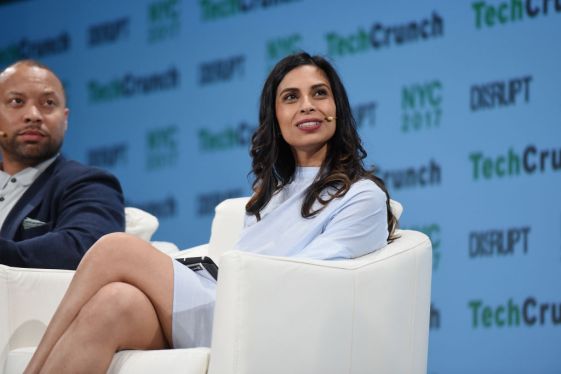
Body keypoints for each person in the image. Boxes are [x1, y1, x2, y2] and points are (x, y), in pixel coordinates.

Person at [24, 52, 398, 373]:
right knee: (113, 303)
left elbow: (312, 279)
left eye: (320, 93)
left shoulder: (361, 196)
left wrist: (232, 280)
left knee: (114, 249)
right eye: (290, 97)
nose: (307, 106)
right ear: (276, 117)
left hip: (261, 317)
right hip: (225, 304)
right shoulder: (270, 195)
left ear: (338, 109)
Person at [0, 60, 125, 269]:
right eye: (17, 101)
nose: (33, 115)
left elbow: (85, 247)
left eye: (48, 103)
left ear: (65, 119)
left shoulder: (88, 184)